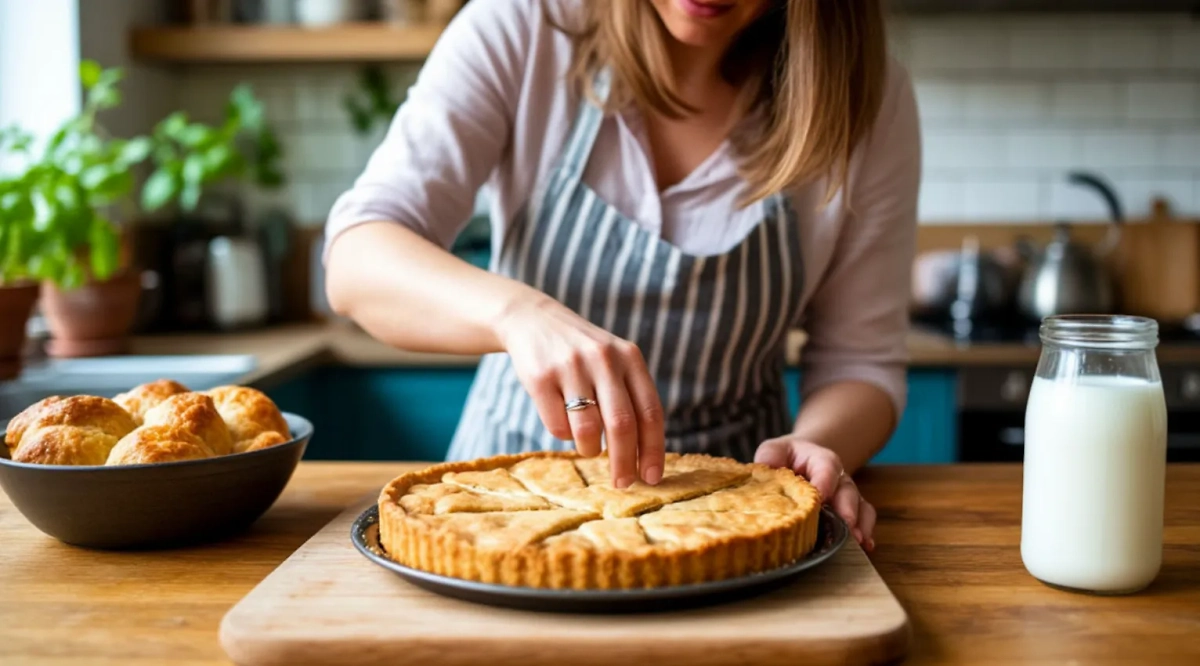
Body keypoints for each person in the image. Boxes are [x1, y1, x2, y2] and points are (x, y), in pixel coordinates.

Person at [324, 0, 920, 552]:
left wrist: (820, 449)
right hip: (498, 511)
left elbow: (860, 363)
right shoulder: (526, 25)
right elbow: (357, 259)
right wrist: (519, 315)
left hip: (736, 521)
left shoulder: (863, 96)